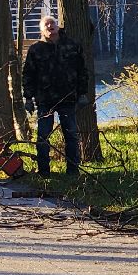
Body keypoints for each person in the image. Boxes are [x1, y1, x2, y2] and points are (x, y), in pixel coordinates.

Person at [22, 16, 89, 176]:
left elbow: (82, 71)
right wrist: (28, 98)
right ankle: (44, 171)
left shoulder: (72, 46)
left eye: (52, 23)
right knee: (43, 136)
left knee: (71, 135)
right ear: (42, 29)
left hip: (68, 98)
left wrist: (82, 93)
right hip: (44, 100)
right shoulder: (35, 49)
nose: (50, 26)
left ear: (58, 26)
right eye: (46, 24)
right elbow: (28, 75)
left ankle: (73, 170)